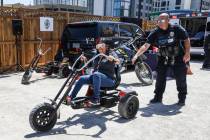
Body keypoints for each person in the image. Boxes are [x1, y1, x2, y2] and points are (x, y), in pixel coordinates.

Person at [132, 13, 191, 106]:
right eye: (158, 20)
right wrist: (136, 55)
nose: (159, 22)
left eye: (162, 20)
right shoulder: (155, 32)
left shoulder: (177, 29)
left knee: (180, 78)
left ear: (168, 20)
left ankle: (182, 98)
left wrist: (187, 53)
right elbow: (146, 45)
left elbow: (186, 40)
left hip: (178, 57)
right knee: (160, 78)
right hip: (163, 57)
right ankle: (158, 97)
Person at [65, 42, 120, 106]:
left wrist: (113, 59)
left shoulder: (111, 54)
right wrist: (84, 60)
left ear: (105, 48)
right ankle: (71, 97)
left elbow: (118, 62)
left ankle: (96, 98)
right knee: (82, 78)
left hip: (109, 79)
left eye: (102, 48)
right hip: (96, 77)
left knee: (96, 74)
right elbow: (90, 65)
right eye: (99, 49)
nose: (100, 50)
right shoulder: (97, 55)